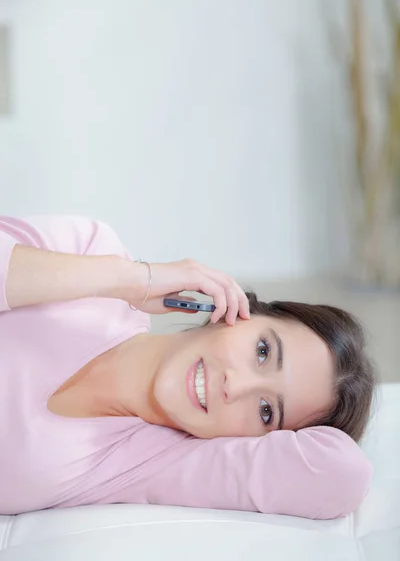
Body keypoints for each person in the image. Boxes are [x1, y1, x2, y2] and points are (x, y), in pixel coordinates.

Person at [0, 215, 376, 518]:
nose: (236, 386)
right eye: (263, 351)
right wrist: (130, 278)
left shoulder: (147, 463)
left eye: (266, 411)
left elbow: (340, 476)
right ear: (235, 310)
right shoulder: (94, 250)